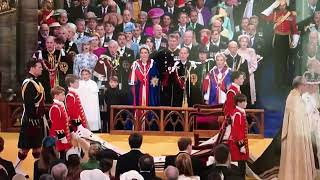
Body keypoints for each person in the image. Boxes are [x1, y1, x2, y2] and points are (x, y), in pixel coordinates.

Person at [279, 76, 316, 179]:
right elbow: (296, 120)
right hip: (296, 136)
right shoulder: (294, 98)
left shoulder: (295, 96)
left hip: (299, 133)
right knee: (296, 155)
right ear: (300, 85)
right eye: (305, 84)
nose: (306, 87)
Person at [15, 59, 46, 177]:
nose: (41, 68)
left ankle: (36, 170)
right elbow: (28, 103)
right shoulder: (28, 83)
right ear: (32, 68)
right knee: (25, 148)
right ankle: (16, 168)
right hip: (31, 119)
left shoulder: (37, 81)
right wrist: (33, 118)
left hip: (37, 118)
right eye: (39, 67)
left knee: (37, 147)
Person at [261, 0, 299, 86]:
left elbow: (294, 29)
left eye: (284, 5)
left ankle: (285, 80)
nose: (282, 7)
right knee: (277, 60)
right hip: (277, 38)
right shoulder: (275, 13)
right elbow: (263, 16)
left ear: (286, 5)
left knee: (286, 61)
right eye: (280, 5)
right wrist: (273, 6)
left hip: (287, 39)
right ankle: (277, 81)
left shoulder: (291, 15)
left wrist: (295, 40)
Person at [228, 94, 249, 178]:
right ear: (239, 103)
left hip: (239, 143)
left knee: (242, 164)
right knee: (240, 165)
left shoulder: (239, 112)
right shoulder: (238, 114)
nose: (246, 103)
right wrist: (241, 146)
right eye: (244, 102)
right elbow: (237, 131)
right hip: (238, 144)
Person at [49, 86, 72, 159]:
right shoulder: (55, 108)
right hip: (59, 139)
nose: (64, 96)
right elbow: (57, 126)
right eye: (62, 94)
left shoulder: (60, 105)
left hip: (64, 136)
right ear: (56, 96)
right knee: (61, 158)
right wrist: (63, 139)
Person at [237, 35, 258, 105]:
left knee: (248, 93)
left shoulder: (251, 51)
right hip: (237, 77)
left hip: (248, 76)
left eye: (246, 41)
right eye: (242, 41)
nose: (244, 43)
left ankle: (248, 107)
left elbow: (254, 64)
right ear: (239, 42)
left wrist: (247, 73)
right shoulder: (236, 51)